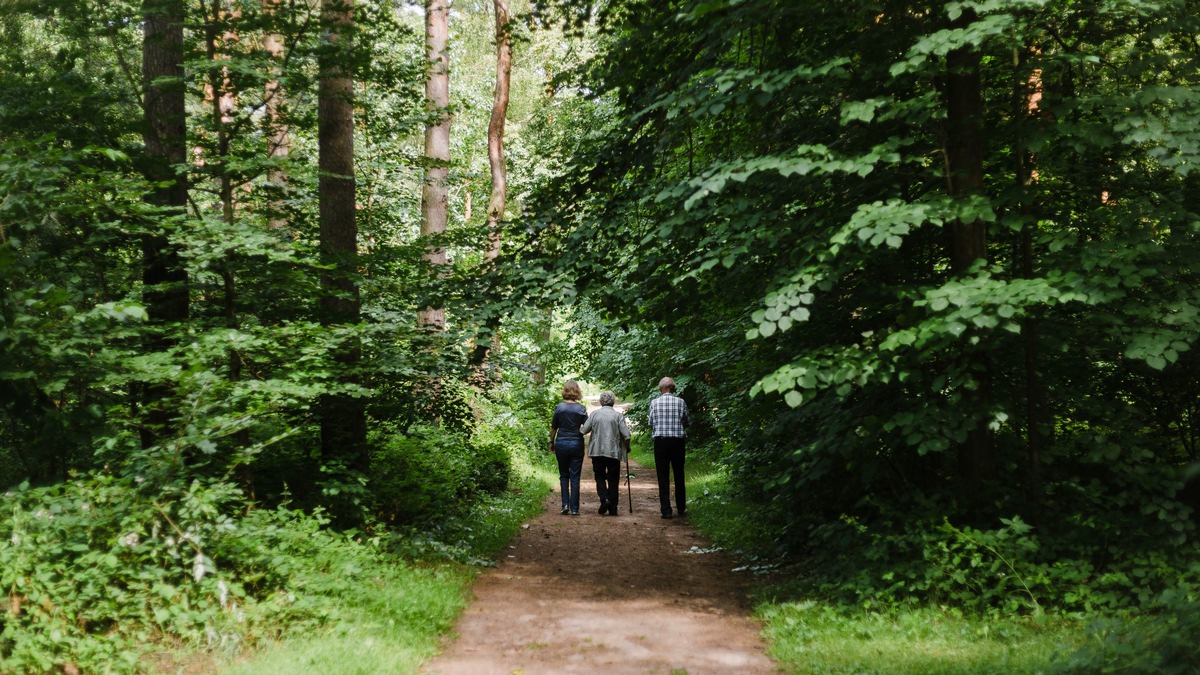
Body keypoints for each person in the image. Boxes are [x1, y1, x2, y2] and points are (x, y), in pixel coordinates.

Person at [581, 391, 631, 516]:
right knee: (613, 479)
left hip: (597, 451)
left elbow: (584, 430)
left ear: (601, 401)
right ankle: (613, 508)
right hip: (613, 452)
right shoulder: (618, 416)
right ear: (613, 402)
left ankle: (605, 499)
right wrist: (627, 447)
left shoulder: (594, 414)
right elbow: (626, 436)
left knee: (600, 477)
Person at [648, 376, 689, 519]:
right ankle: (681, 507)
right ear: (672, 388)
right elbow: (686, 420)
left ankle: (666, 510)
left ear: (662, 388)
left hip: (661, 442)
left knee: (663, 475)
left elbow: (651, 422)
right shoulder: (681, 402)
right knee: (679, 473)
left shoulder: (655, 402)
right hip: (678, 442)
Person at [549, 380, 588, 515]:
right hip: (576, 443)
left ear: (564, 391)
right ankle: (575, 508)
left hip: (561, 443)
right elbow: (587, 427)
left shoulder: (559, 407)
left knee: (564, 475)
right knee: (575, 476)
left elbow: (554, 428)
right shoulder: (581, 409)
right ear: (577, 392)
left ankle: (565, 504)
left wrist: (551, 442)